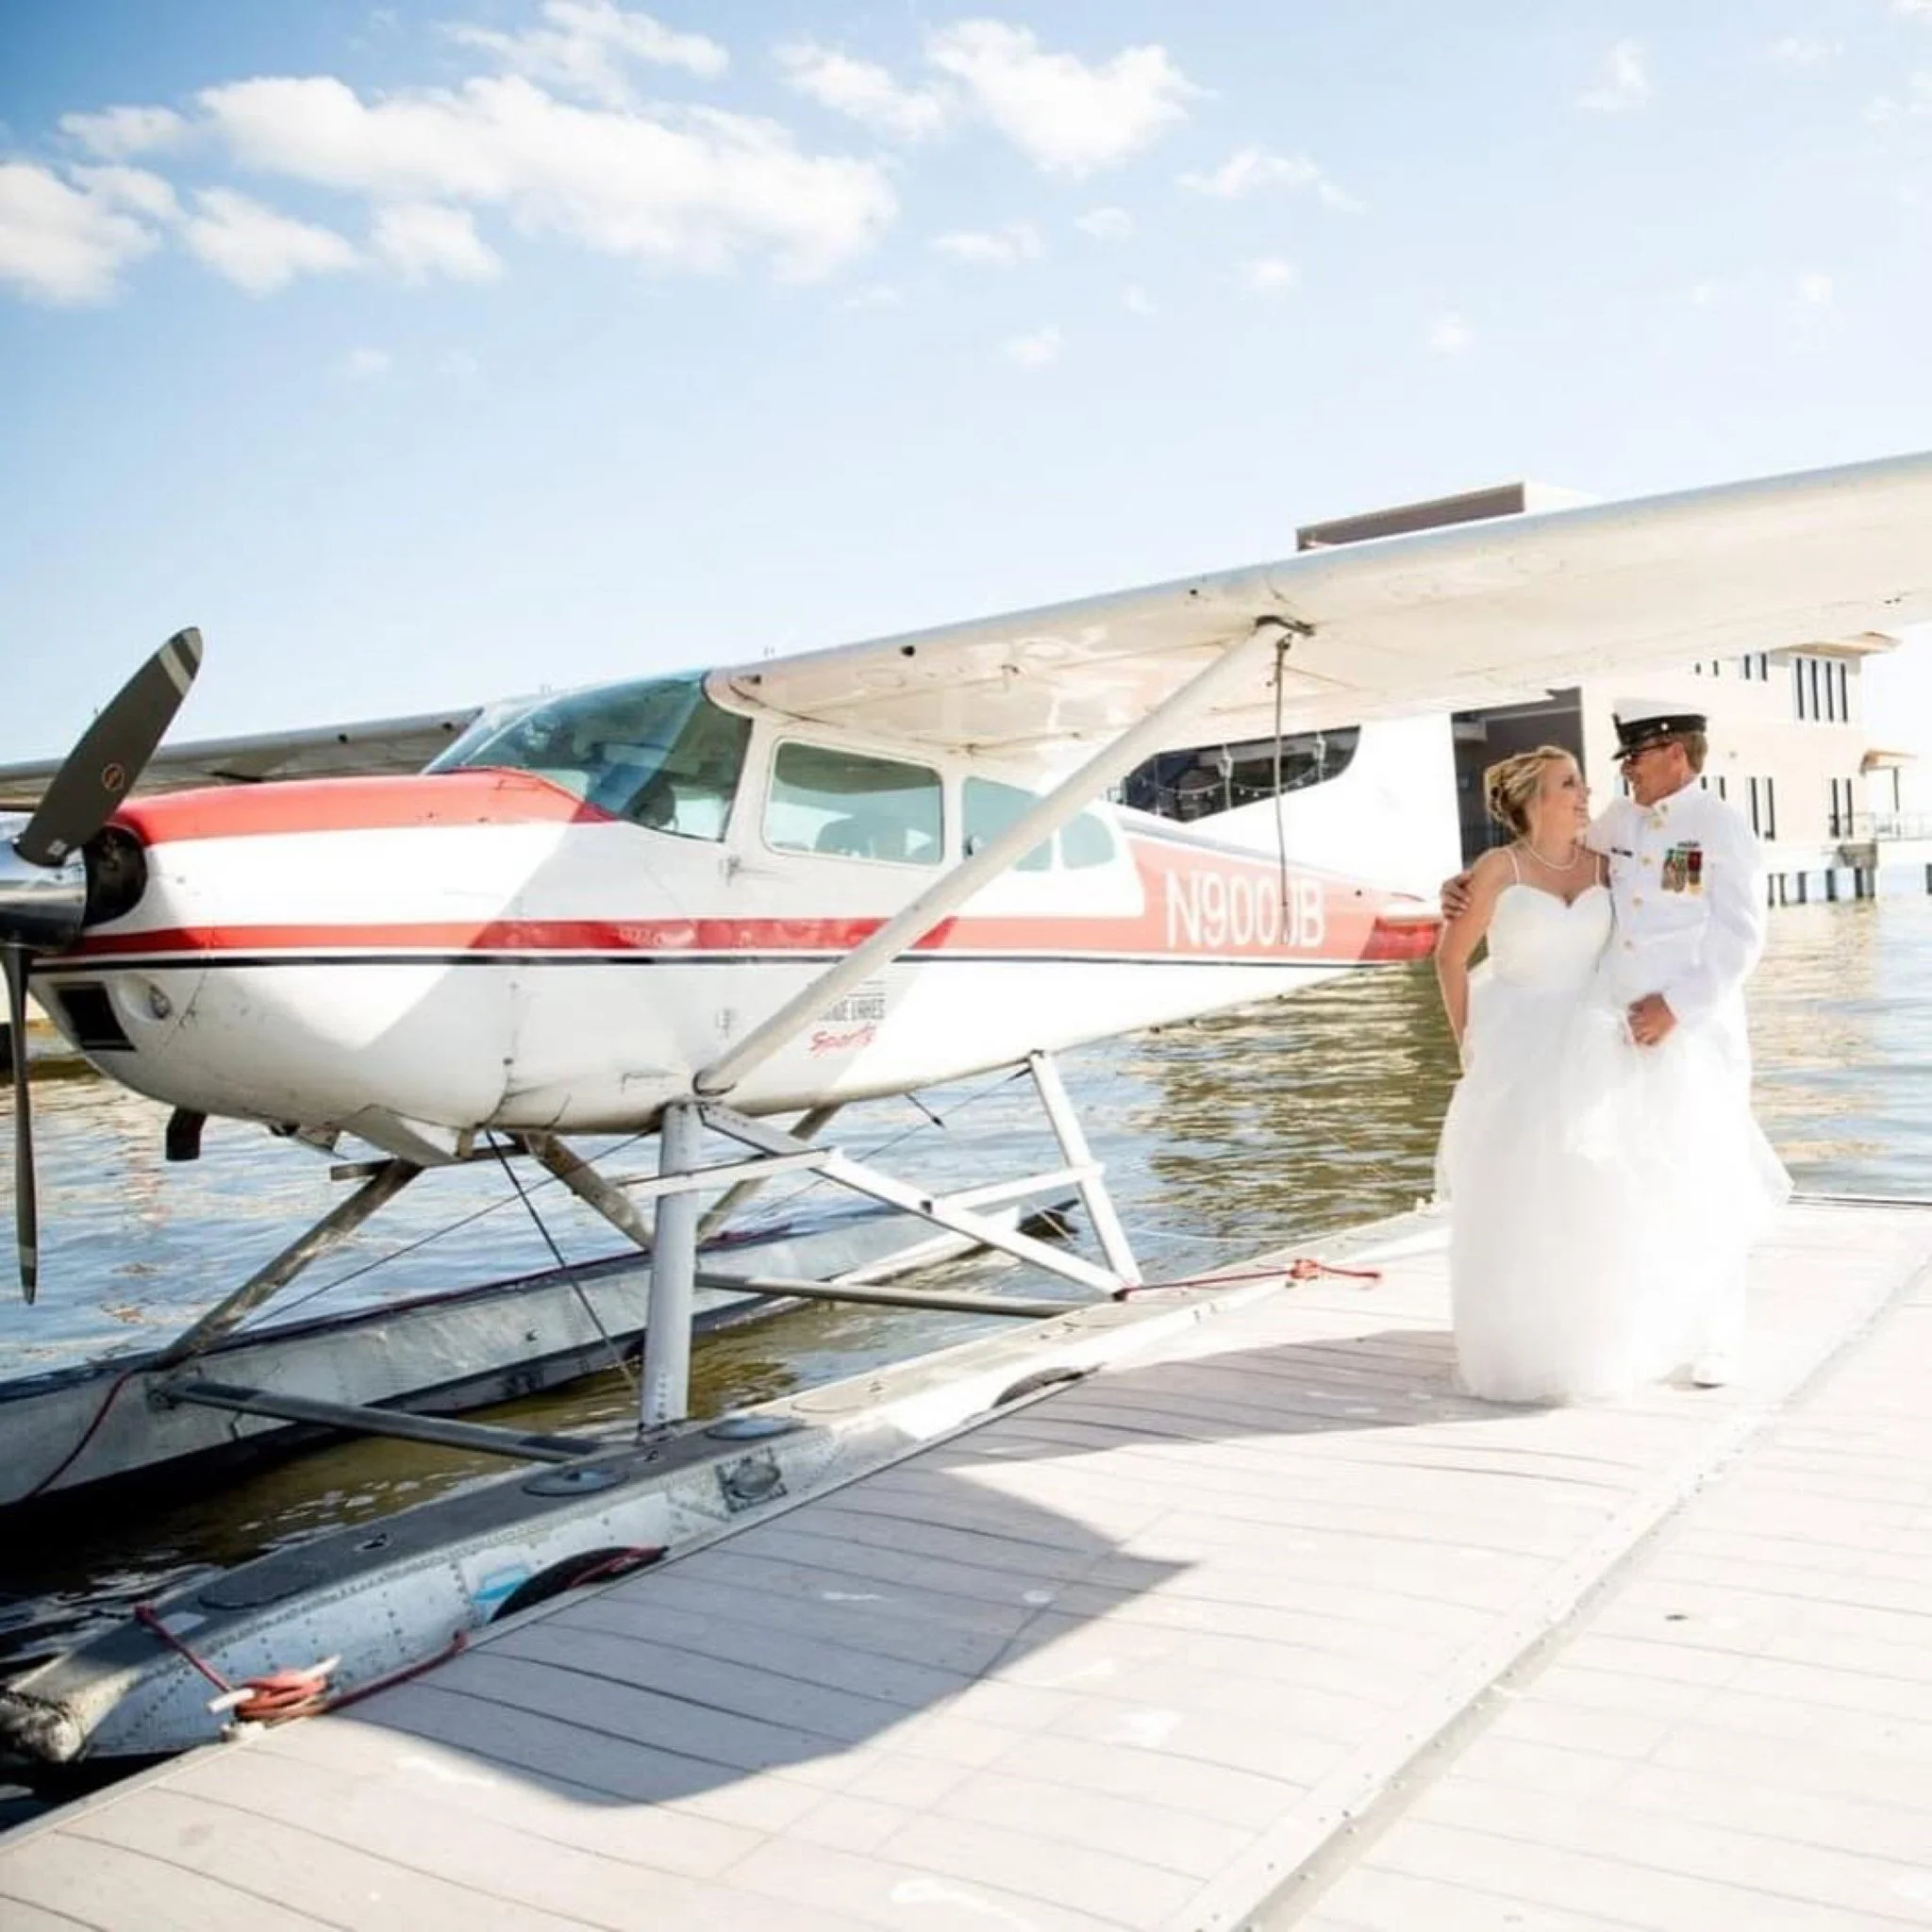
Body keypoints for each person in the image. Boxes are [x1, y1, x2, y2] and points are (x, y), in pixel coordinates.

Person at [1433, 707, 1789, 1401]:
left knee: (1703, 1172)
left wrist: (1678, 1007)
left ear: (1676, 757)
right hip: (1613, 1032)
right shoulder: (1616, 826)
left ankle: (1718, 1338)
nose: (1620, 770)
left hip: (1692, 1029)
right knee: (1640, 1185)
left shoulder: (1721, 827)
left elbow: (1741, 938)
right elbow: (1539, 855)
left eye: (1637, 756)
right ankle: (1649, 1319)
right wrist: (1459, 887)